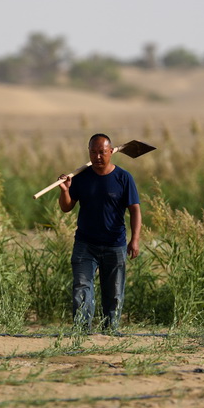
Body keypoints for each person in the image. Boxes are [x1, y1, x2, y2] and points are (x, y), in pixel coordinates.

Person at [57, 133, 141, 333]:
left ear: (111, 152)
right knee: (81, 287)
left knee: (114, 293)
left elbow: (135, 210)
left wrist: (135, 239)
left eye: (102, 152)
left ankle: (110, 331)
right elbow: (66, 208)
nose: (97, 157)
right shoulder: (81, 177)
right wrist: (65, 190)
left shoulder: (123, 178)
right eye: (93, 152)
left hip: (115, 244)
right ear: (89, 152)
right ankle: (82, 331)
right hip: (85, 244)